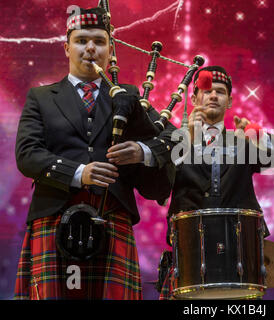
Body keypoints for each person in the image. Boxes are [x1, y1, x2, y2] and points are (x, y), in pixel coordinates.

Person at [14, 6, 175, 300]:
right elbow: (27, 154)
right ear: (66, 48)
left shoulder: (128, 97)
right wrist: (79, 173)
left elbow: (173, 139)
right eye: (81, 40)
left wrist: (142, 152)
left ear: (110, 50)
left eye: (99, 41)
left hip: (112, 220)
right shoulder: (40, 98)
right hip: (54, 218)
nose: (90, 48)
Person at [158, 65, 274, 299]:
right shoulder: (174, 139)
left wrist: (254, 133)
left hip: (237, 250)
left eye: (219, 91)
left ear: (229, 101)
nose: (213, 96)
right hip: (190, 251)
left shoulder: (241, 139)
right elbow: (158, 185)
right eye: (206, 91)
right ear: (194, 97)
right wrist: (187, 138)